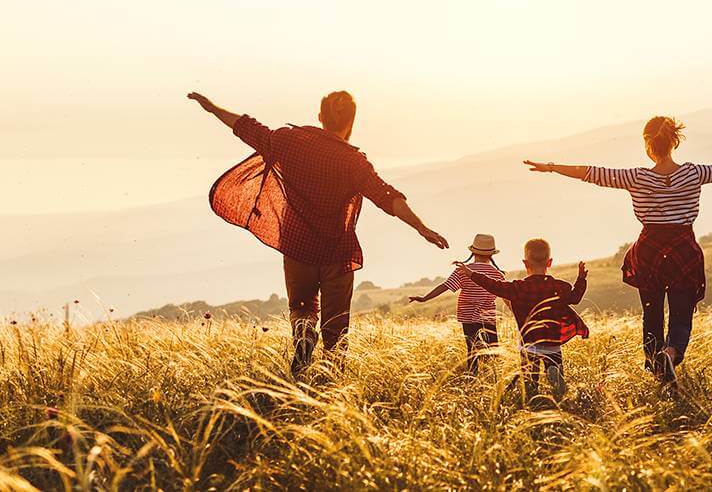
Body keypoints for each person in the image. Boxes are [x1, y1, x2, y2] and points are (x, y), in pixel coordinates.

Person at [523, 115, 712, 384]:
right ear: (674, 142)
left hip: (649, 253)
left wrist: (551, 167)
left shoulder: (636, 177)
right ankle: (671, 353)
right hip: (683, 250)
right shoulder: (694, 173)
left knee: (652, 313)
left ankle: (657, 363)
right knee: (682, 313)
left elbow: (592, 173)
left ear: (647, 144)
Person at [187, 91, 449, 375]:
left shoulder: (289, 142)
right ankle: (331, 382)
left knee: (302, 309)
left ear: (321, 118)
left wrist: (212, 108)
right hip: (337, 252)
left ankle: (303, 343)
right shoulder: (354, 162)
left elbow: (247, 127)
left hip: (298, 247)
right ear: (351, 123)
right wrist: (421, 227)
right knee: (336, 324)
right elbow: (387, 196)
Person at [456, 239, 588, 401]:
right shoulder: (559, 287)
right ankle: (554, 374)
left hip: (529, 344)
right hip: (552, 343)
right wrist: (581, 279)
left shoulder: (517, 288)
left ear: (525, 263)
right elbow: (575, 298)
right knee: (554, 365)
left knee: (530, 379)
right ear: (550, 262)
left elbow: (493, 286)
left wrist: (471, 274)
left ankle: (532, 397)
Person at [409, 234, 506, 375]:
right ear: (492, 254)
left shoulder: (463, 270)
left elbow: (445, 286)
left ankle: (473, 377)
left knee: (472, 350)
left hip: (468, 318)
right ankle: (491, 379)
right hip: (489, 318)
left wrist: (424, 298)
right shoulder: (497, 274)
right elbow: (507, 296)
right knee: (492, 350)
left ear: (473, 252)